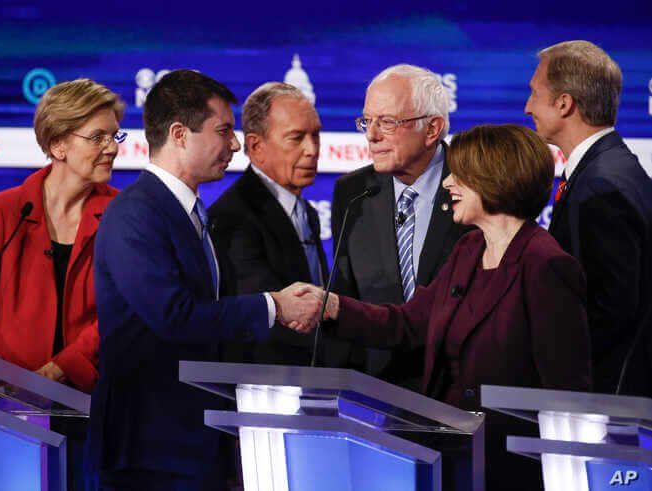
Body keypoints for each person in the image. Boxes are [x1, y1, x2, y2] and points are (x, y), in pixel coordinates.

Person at [296, 124, 592, 491]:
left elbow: (566, 391)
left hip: (510, 469)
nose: (448, 183)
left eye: (460, 175)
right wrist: (333, 306)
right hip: (448, 455)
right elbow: (409, 323)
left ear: (493, 178)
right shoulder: (469, 250)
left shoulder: (545, 265)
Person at [90, 70, 321, 491]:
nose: (234, 144)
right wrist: (274, 306)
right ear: (180, 134)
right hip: (149, 449)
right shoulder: (135, 215)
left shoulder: (193, 213)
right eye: (223, 131)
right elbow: (173, 318)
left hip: (197, 442)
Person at [0, 78, 126, 490]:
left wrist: (57, 371)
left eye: (114, 134)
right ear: (58, 145)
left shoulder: (123, 215)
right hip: (8, 407)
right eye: (98, 136)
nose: (113, 147)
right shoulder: (5, 211)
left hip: (95, 406)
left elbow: (123, 312)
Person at [525, 40, 652, 397]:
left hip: (603, 399)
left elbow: (612, 313)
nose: (527, 106)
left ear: (564, 103)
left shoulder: (601, 186)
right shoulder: (608, 167)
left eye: (535, 93)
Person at [329, 64, 470, 385]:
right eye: (367, 120)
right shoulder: (352, 193)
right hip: (377, 390)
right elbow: (347, 295)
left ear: (432, 129)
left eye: (388, 122)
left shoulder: (478, 184)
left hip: (456, 390)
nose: (371, 135)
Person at [209, 82, 326, 366]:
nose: (312, 150)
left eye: (316, 136)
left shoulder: (306, 211)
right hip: (266, 383)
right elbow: (264, 317)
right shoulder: (233, 216)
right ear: (256, 146)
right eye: (296, 138)